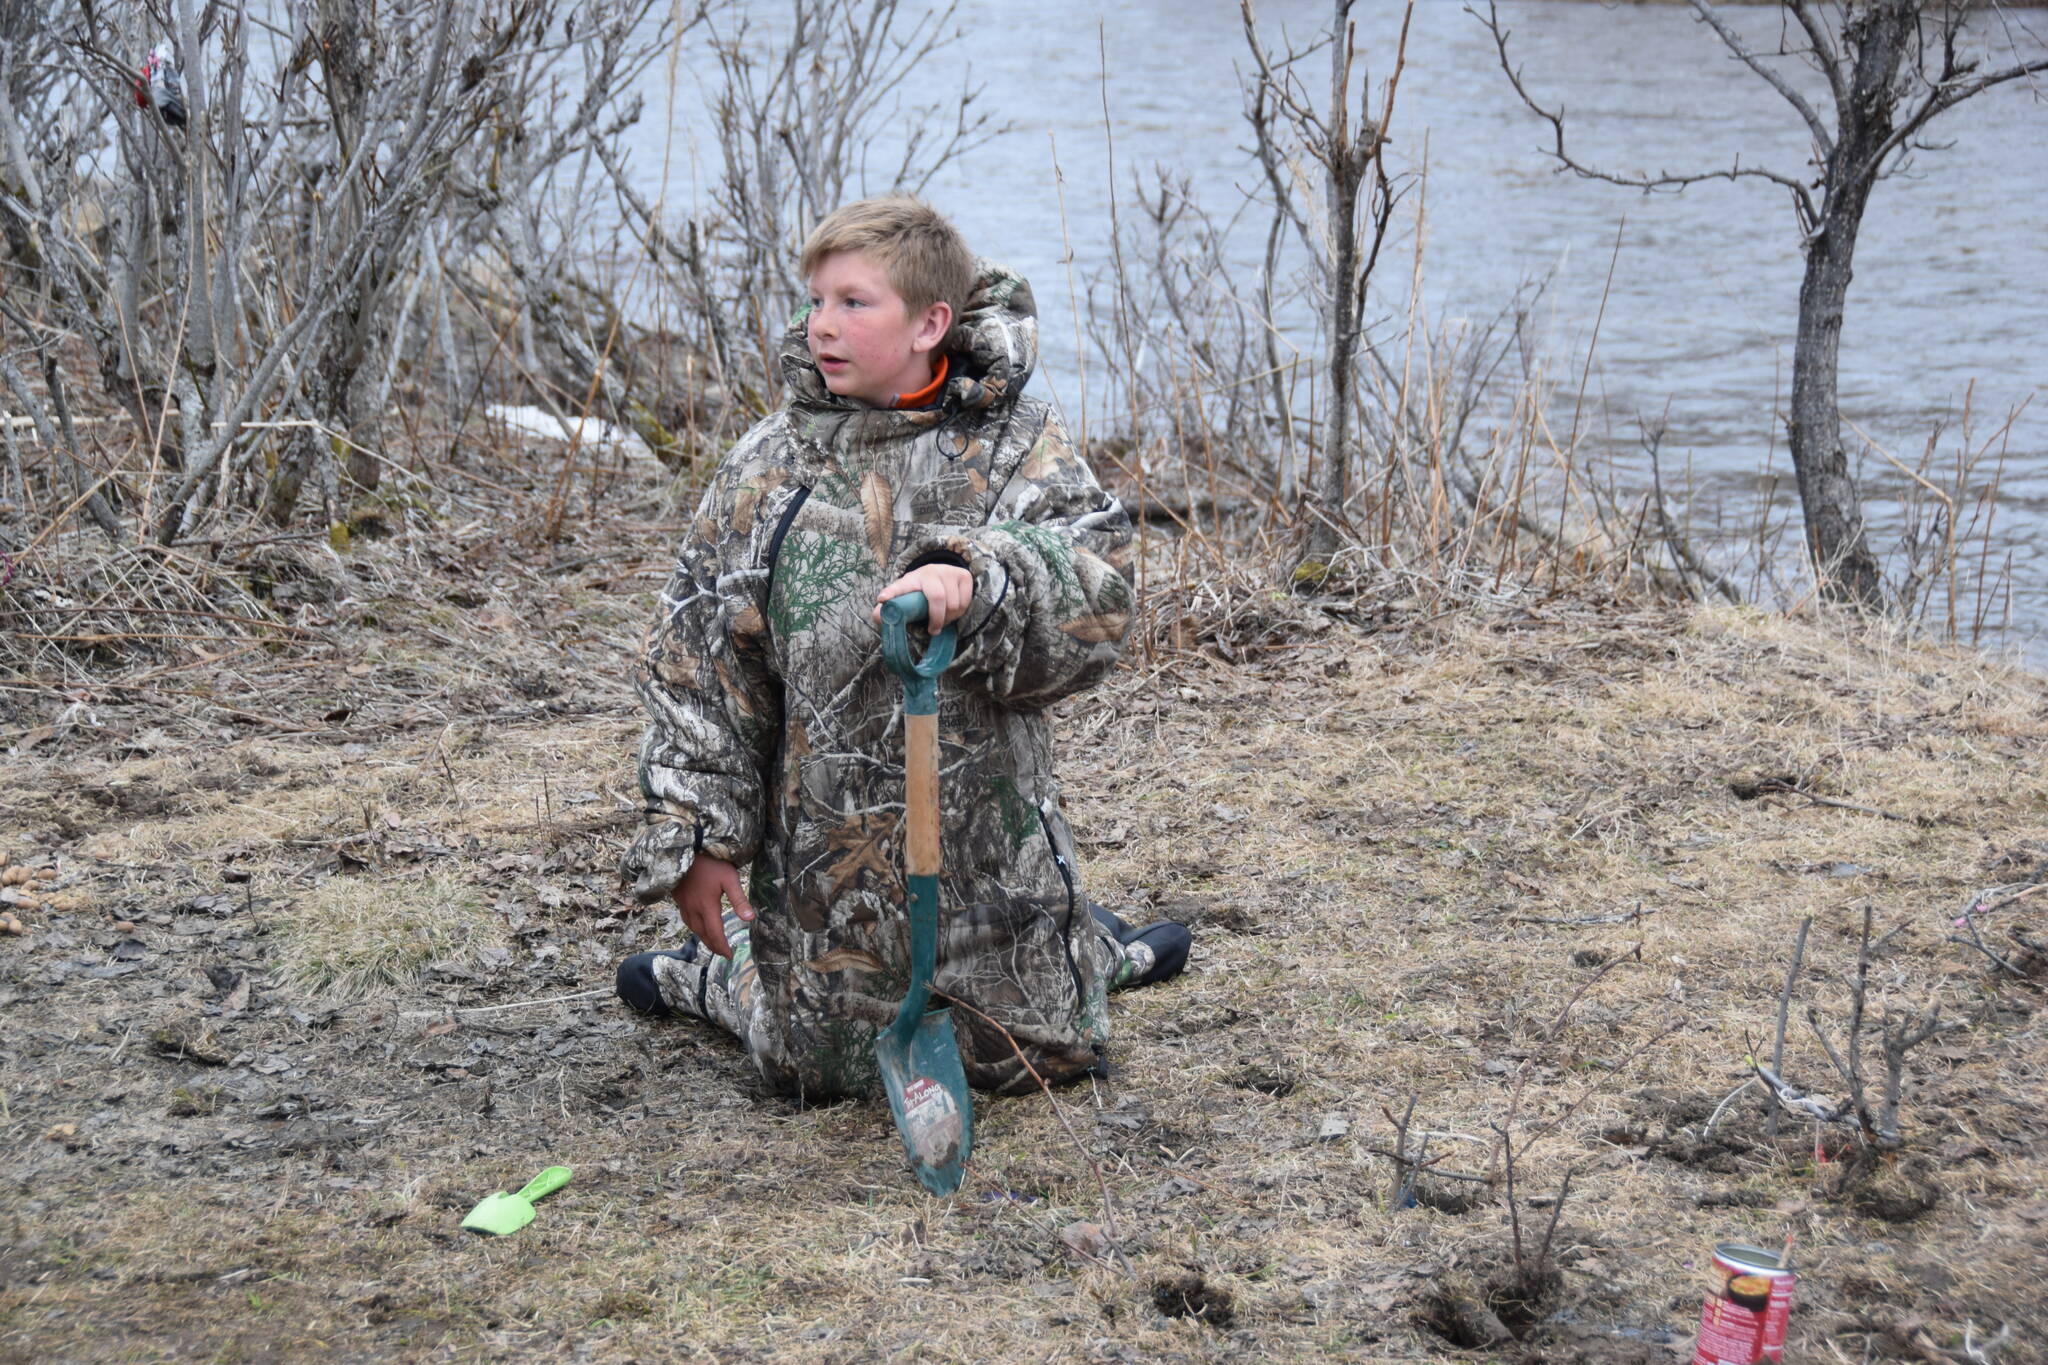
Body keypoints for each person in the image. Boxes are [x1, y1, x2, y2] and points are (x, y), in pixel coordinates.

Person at [615, 196, 1188, 1098]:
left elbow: (1102, 597)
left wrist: (983, 578)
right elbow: (699, 668)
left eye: (854, 303)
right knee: (809, 1070)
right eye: (815, 302)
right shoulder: (770, 467)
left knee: (1035, 1056)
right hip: (822, 878)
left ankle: (1098, 950)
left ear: (931, 323)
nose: (821, 327)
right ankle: (706, 975)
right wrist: (697, 838)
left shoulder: (1014, 448)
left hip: (989, 868)